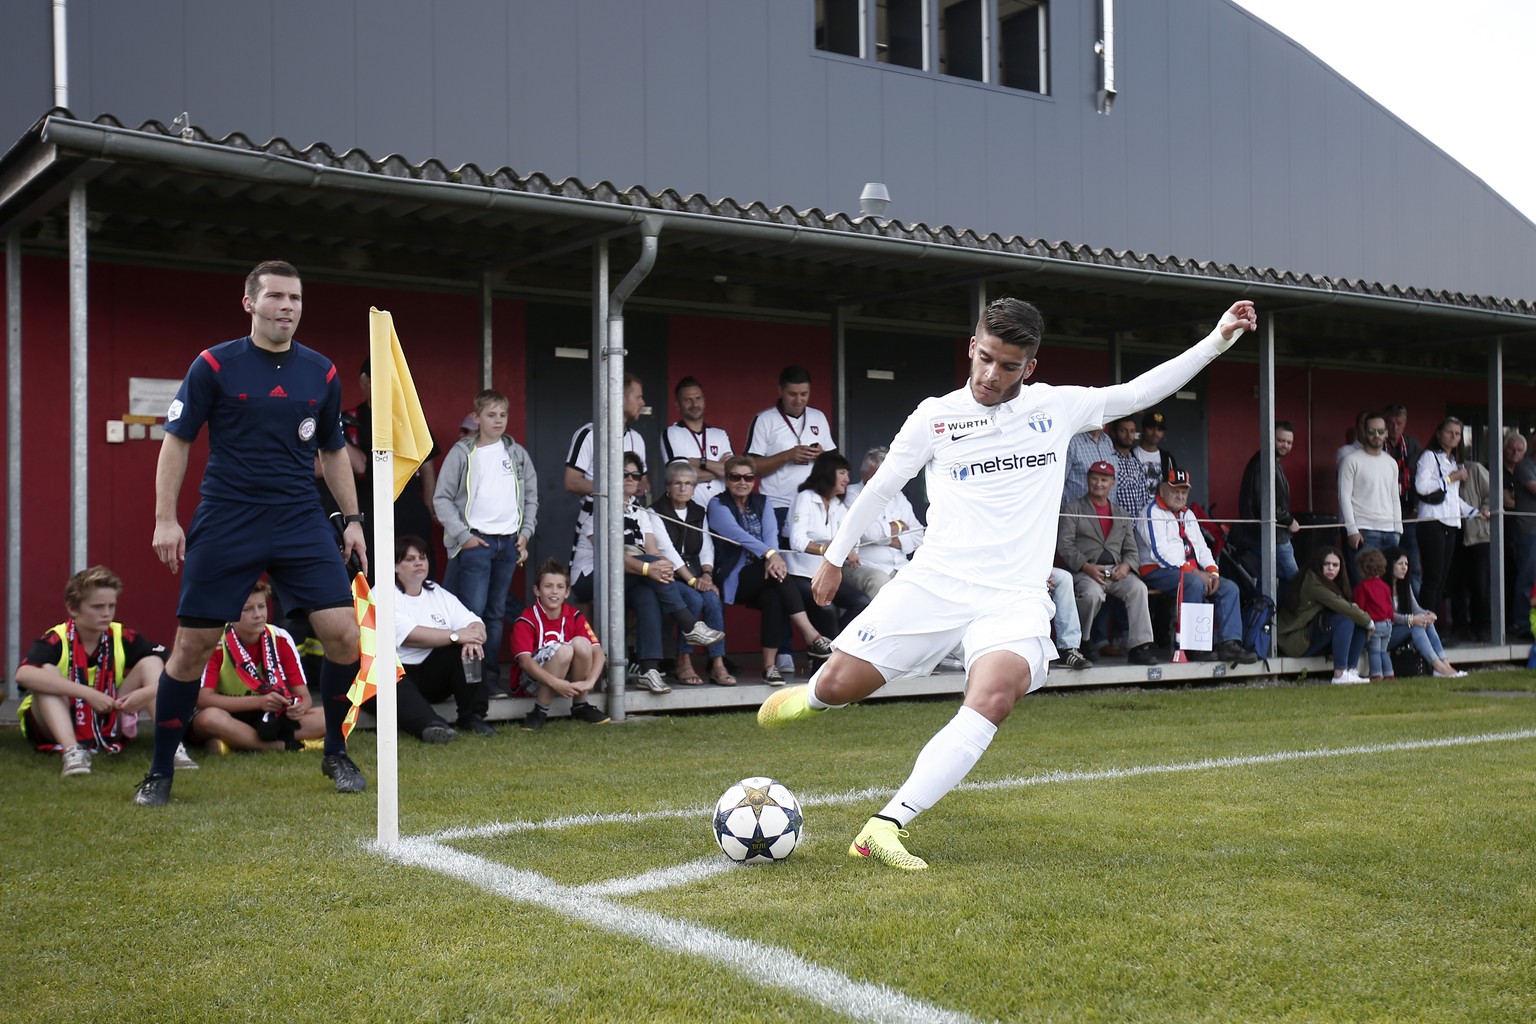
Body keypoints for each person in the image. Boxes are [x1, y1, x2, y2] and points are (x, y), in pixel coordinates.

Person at [757, 296, 1257, 871]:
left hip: (1013, 597)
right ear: (972, 347)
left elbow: (1141, 392)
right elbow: (880, 486)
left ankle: (884, 827)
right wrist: (834, 558)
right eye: (986, 359)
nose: (992, 375)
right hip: (935, 583)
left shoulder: (1057, 408)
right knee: (840, 685)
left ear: (1031, 366)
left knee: (994, 695)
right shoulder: (934, 416)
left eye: (1008, 365)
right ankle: (811, 700)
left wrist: (1219, 338)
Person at [137, 260, 367, 806]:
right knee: (191, 647)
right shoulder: (214, 364)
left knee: (345, 637)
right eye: (276, 297)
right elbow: (177, 442)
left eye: (295, 298)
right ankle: (160, 771)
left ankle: (335, 751)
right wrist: (165, 519)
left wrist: (353, 520)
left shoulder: (323, 373)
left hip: (298, 518)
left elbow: (333, 451)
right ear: (250, 303)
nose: (287, 306)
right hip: (227, 518)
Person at [571, 451, 725, 694]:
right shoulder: (597, 508)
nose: (632, 479)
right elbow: (610, 557)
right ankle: (690, 626)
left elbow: (653, 550)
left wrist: (660, 566)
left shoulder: (639, 511)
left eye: (636, 475)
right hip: (591, 577)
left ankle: (649, 669)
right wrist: (648, 567)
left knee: (648, 594)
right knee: (650, 570)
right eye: (625, 475)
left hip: (627, 577)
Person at [15, 566, 185, 778]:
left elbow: (182, 665)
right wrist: (88, 693)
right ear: (72, 609)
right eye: (97, 607)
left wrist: (149, 692)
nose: (106, 613)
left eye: (111, 606)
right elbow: (23, 675)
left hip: (108, 714)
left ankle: (171, 747)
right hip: (57, 722)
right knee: (45, 673)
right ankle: (73, 752)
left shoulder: (121, 635)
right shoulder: (55, 638)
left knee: (151, 662)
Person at [434, 387, 539, 716]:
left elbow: (531, 497)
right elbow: (442, 499)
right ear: (476, 418)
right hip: (476, 543)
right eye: (491, 415)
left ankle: (490, 677)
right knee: (472, 614)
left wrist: (525, 534)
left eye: (503, 415)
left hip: (508, 543)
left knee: (495, 614)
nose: (498, 421)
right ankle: (467, 681)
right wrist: (463, 536)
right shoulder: (463, 453)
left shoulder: (516, 453)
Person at [708, 454, 837, 684]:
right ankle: (812, 635)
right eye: (735, 476)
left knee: (775, 596)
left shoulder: (763, 502)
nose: (742, 482)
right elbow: (736, 534)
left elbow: (770, 536)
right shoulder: (717, 504)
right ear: (727, 479)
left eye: (748, 477)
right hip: (734, 577)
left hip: (766, 574)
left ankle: (769, 667)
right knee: (781, 577)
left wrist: (772, 555)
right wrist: (769, 554)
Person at [187, 579, 323, 753]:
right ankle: (279, 746)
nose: (258, 614)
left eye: (261, 606)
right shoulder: (215, 641)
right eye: (248, 609)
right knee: (208, 719)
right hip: (227, 713)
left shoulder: (280, 637)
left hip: (270, 716)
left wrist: (298, 708)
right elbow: (204, 700)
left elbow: (304, 697)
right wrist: (259, 702)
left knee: (328, 718)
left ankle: (235, 742)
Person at [1137, 468, 1257, 663]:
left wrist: (1212, 572)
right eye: (1175, 491)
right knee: (1194, 583)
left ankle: (1229, 644)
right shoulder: (1151, 512)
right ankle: (1194, 647)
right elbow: (1160, 554)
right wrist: (1195, 572)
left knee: (1229, 588)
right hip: (1156, 570)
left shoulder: (1188, 514)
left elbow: (1201, 547)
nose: (1180, 496)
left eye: (1184, 492)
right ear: (1163, 489)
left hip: (1190, 573)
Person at [1057, 461, 1158, 665]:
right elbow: (1065, 546)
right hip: (1087, 571)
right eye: (1094, 478)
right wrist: (1086, 566)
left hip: (1116, 571)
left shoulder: (1121, 513)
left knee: (1138, 589)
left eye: (1104, 480)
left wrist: (1127, 566)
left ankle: (1140, 647)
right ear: (1087, 480)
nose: (1099, 484)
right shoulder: (1074, 508)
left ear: (1112, 483)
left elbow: (1132, 550)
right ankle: (1082, 642)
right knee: (1092, 595)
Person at [344, 358, 439, 575]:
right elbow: (355, 466)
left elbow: (426, 465)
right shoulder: (349, 419)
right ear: (364, 382)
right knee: (373, 573)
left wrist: (427, 506)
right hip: (368, 510)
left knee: (416, 574)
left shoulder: (410, 418)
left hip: (409, 507)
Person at [392, 536, 491, 742]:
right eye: (410, 559)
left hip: (432, 676)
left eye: (422, 557)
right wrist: (456, 636)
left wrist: (473, 636)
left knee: (470, 648)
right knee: (388, 674)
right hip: (400, 675)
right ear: (395, 567)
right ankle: (432, 726)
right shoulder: (384, 595)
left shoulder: (435, 591)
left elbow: (474, 622)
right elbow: (411, 636)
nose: (419, 563)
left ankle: (472, 717)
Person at [650, 460, 734, 686]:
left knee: (713, 599)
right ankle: (683, 660)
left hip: (697, 573)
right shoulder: (655, 511)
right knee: (694, 600)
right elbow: (667, 549)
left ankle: (717, 662)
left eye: (688, 483)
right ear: (668, 486)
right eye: (677, 483)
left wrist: (707, 575)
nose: (682, 488)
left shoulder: (698, 511)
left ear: (695, 488)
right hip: (671, 574)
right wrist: (693, 581)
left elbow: (706, 545)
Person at [512, 560, 610, 730]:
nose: (554, 592)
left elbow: (598, 652)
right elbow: (525, 663)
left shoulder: (574, 615)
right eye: (548, 586)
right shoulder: (526, 619)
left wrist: (590, 682)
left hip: (567, 681)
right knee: (564, 650)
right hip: (533, 681)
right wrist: (555, 683)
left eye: (560, 587)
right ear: (537, 590)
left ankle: (580, 705)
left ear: (567, 592)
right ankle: (540, 711)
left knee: (582, 643)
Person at [744, 365, 837, 537]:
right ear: (780, 391)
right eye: (792, 394)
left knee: (812, 560)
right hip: (777, 505)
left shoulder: (818, 417)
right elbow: (750, 467)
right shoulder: (764, 419)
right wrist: (787, 456)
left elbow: (836, 464)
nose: (799, 400)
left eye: (804, 394)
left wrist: (822, 456)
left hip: (813, 503)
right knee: (780, 560)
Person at [1413, 416, 1487, 624]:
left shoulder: (1452, 460)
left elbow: (1454, 501)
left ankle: (1434, 626)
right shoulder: (1429, 456)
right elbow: (1422, 487)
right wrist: (1451, 478)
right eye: (1450, 432)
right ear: (1439, 434)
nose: (1454, 437)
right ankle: (1427, 627)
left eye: (1458, 433)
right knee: (1433, 579)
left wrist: (1475, 512)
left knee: (1442, 580)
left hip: (1450, 524)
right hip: (1431, 523)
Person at [786, 451, 871, 629]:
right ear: (827, 472)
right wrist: (825, 549)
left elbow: (852, 536)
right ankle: (828, 652)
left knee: (862, 602)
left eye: (847, 473)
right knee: (827, 608)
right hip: (799, 574)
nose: (847, 479)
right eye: (842, 473)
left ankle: (831, 647)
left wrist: (850, 548)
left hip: (825, 574)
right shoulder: (805, 498)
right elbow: (797, 540)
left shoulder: (837, 505)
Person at [1276, 546, 1372, 684]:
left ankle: (1351, 671)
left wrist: (1364, 621)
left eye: (1335, 565)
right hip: (1294, 641)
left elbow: (1345, 606)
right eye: (1326, 564)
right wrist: (1370, 622)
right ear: (1318, 565)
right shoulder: (1314, 581)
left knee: (1358, 621)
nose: (1331, 568)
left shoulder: (1333, 583)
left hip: (1311, 634)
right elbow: (1342, 607)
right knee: (1347, 618)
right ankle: (1339, 674)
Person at [841, 446, 924, 596]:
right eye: (877, 475)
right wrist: (899, 526)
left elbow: (918, 536)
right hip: (867, 566)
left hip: (900, 566)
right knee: (880, 582)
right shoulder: (853, 494)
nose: (883, 481)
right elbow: (868, 534)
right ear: (864, 473)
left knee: (922, 581)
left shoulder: (897, 496)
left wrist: (883, 536)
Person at [1233, 420, 1302, 585]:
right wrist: (1289, 520)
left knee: (1269, 581)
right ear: (1270, 438)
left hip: (1267, 534)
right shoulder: (1264, 463)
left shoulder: (1268, 461)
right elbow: (1264, 503)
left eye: (1289, 442)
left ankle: (1272, 610)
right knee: (1296, 581)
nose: (1285, 445)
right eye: (1281, 440)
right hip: (1271, 535)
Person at [1382, 546, 1466, 678]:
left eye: (1406, 564)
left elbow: (1415, 608)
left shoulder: (1403, 585)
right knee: (1417, 625)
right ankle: (1437, 666)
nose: (1404, 567)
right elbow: (1387, 615)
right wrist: (1411, 620)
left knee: (1425, 622)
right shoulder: (1381, 586)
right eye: (1400, 564)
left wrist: (1428, 614)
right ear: (1389, 565)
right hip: (1385, 633)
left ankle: (1445, 663)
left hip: (1400, 628)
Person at [1338, 413, 1402, 571]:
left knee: (1389, 584)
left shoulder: (1391, 463)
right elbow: (1344, 497)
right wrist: (1352, 530)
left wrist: (1398, 529)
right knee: (1364, 582)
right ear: (1364, 432)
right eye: (1372, 431)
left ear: (1386, 433)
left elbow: (1395, 497)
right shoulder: (1351, 460)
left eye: (1380, 431)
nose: (1376, 435)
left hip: (1390, 531)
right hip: (1364, 531)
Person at [565, 372, 647, 496]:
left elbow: (645, 482)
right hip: (595, 512)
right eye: (638, 397)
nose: (642, 402)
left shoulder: (637, 438)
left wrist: (640, 487)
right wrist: (615, 490)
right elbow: (571, 481)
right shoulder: (589, 434)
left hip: (630, 512)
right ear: (621, 398)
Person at [659, 376, 734, 508]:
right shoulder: (672, 433)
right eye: (688, 400)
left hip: (722, 509)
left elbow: (733, 472)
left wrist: (699, 462)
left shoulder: (720, 434)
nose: (694, 404)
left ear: (704, 401)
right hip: (688, 511)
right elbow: (679, 476)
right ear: (677, 404)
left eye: (698, 398)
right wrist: (719, 469)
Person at [1382, 402, 1423, 589]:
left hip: (1408, 513)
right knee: (1386, 562)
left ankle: (1414, 609)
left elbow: (1419, 479)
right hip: (1384, 512)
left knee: (1412, 563)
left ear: (1405, 423)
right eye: (1390, 423)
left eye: (1399, 423)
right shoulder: (1377, 444)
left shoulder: (1412, 445)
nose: (1394, 427)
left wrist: (1416, 507)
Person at [1352, 549, 1395, 682]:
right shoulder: (1385, 586)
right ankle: (1389, 674)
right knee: (1383, 651)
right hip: (1387, 623)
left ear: (1362, 569)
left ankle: (1376, 675)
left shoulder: (1362, 587)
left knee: (1374, 652)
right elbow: (1389, 606)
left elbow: (1361, 609)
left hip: (1374, 624)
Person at [1046, 568, 1092, 669]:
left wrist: (1043, 570)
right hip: (1010, 572)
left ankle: (1067, 649)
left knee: (1064, 577)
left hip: (1035, 569)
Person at [1062, 423, 1115, 505]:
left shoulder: (1107, 440)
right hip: (1078, 513)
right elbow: (1059, 483)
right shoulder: (1073, 442)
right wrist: (1069, 507)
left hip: (1107, 511)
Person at [1107, 415, 1151, 512]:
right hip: (1116, 523)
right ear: (1114, 433)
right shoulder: (1110, 461)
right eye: (1123, 431)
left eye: (1132, 431)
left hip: (1138, 523)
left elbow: (1144, 497)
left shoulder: (1136, 464)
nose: (1128, 435)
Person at [1133, 410, 1177, 503]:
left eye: (1160, 430)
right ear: (1143, 429)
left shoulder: (1168, 459)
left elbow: (1175, 488)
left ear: (1163, 434)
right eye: (1151, 428)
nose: (1155, 432)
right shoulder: (1131, 455)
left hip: (1161, 512)